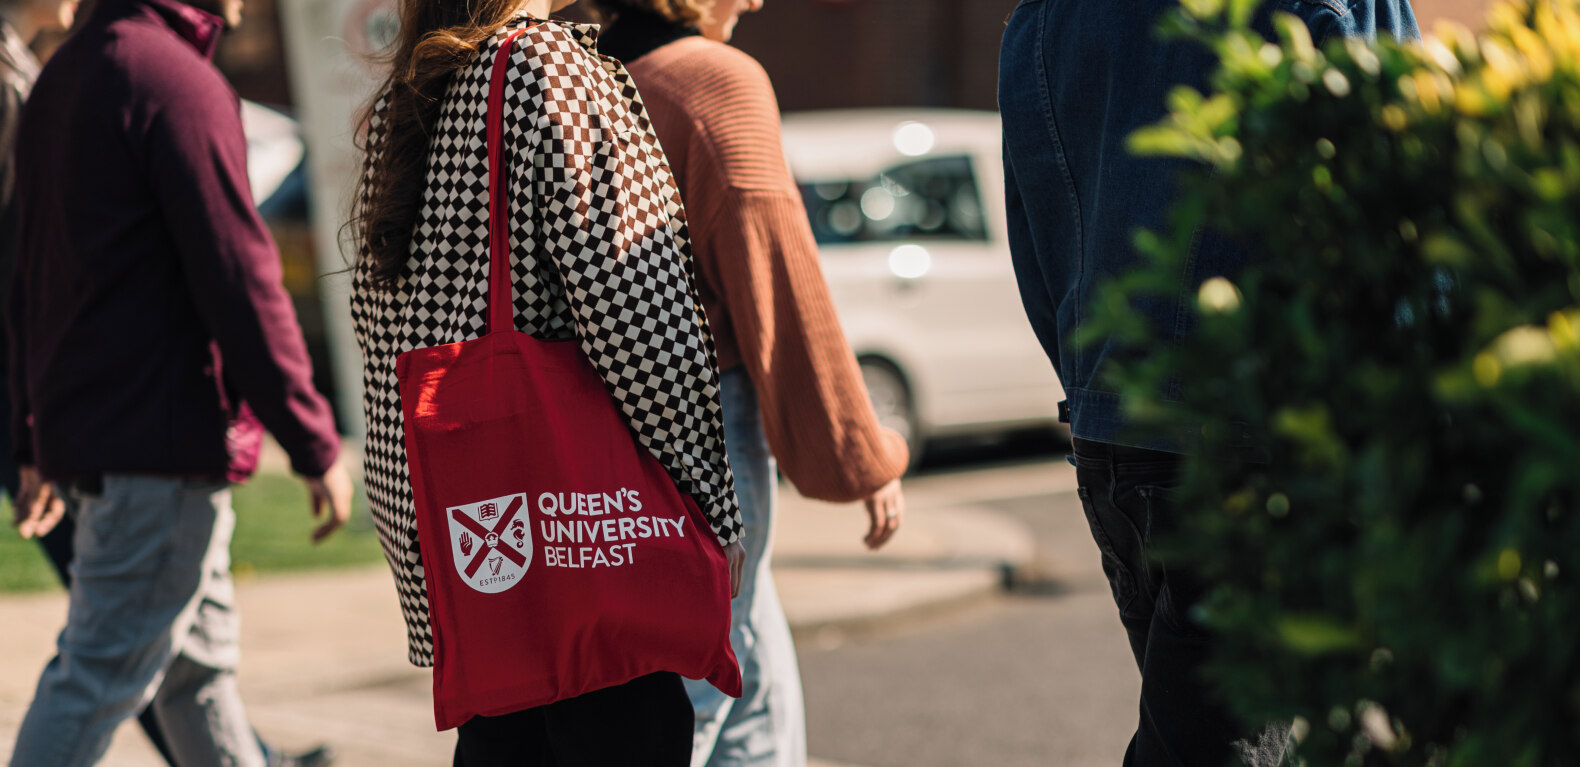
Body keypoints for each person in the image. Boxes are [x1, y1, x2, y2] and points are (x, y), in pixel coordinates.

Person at [998, 1, 1418, 764]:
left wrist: (1101, 387)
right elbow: (1404, 210)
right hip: (1250, 448)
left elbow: (1038, 249)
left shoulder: (1047, 13)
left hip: (1112, 441)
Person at [348, 0, 747, 763]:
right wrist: (711, 506)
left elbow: (384, 331)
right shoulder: (548, 69)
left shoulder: (416, 87)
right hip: (586, 542)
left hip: (481, 548)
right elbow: (642, 316)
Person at [5, 0, 354, 759]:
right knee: (97, 676)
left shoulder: (62, 77)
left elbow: (29, 279)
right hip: (158, 447)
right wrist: (313, 439)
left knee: (195, 679)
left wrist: (31, 433)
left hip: (109, 443)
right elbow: (241, 278)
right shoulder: (173, 81)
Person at [592, 1, 910, 764]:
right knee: (701, 687)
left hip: (610, 421)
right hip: (709, 428)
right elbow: (778, 279)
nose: (756, 1)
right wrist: (855, 451)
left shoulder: (587, 78)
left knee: (754, 683)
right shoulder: (714, 80)